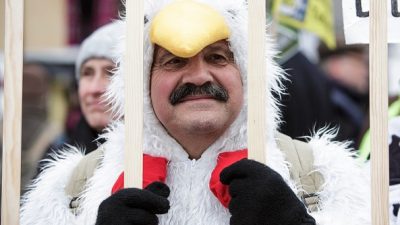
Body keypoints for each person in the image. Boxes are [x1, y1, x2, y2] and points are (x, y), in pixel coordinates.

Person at [21, 1, 371, 224]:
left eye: (218, 57)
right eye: (174, 61)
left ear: (247, 74)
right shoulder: (68, 192)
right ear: (141, 81)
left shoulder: (323, 179)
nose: (200, 76)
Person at [41, 22, 119, 164]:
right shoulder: (54, 162)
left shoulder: (161, 162)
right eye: (87, 73)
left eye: (110, 72)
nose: (94, 88)